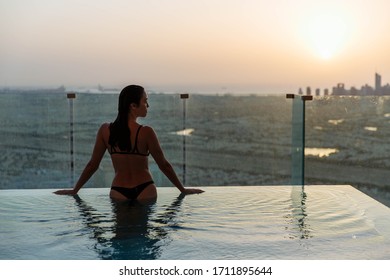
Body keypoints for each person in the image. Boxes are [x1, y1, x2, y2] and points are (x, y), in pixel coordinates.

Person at [55, 85, 203, 201]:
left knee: (121, 236)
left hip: (119, 190)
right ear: (133, 105)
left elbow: (92, 165)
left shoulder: (105, 130)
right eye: (145, 101)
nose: (147, 105)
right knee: (143, 237)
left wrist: (75, 190)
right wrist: (182, 190)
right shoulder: (146, 132)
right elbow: (163, 165)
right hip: (146, 189)